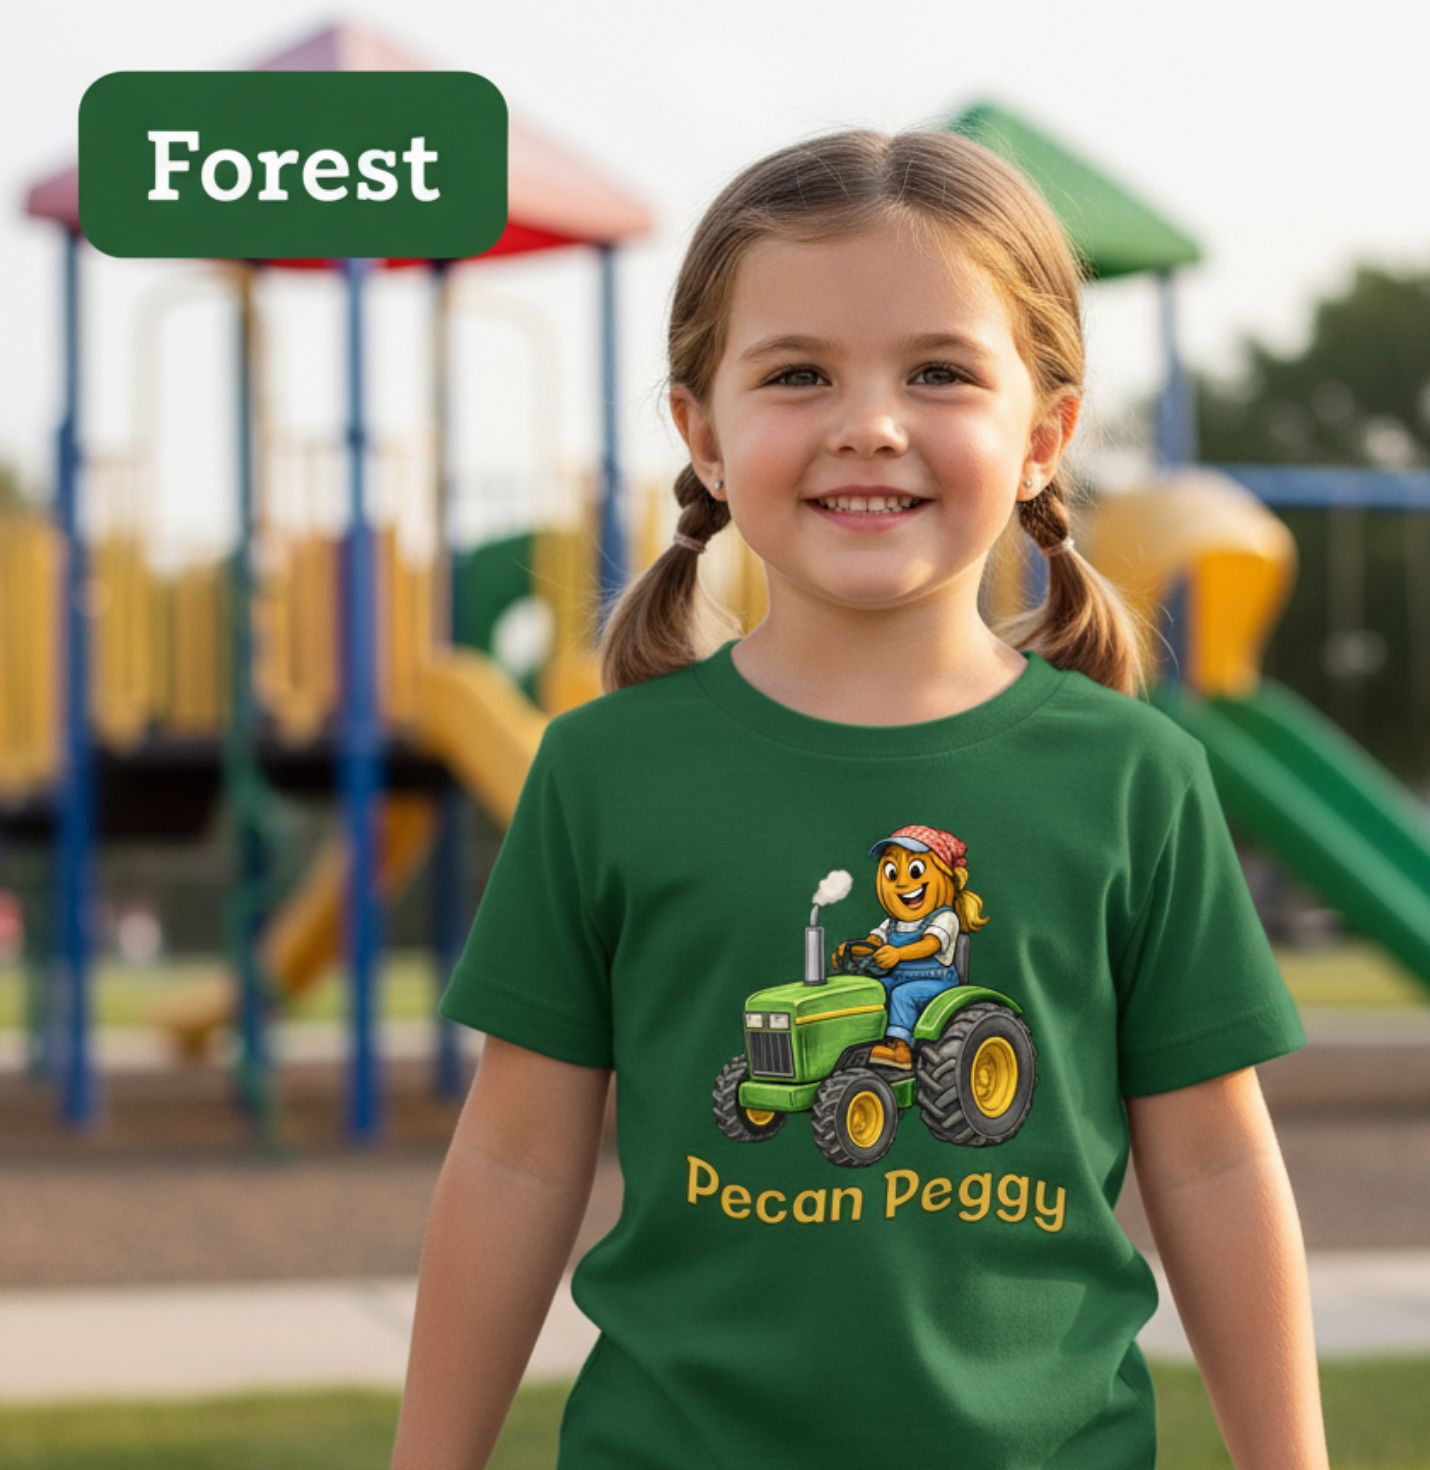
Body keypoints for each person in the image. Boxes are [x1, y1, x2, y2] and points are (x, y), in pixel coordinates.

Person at [392, 130, 1328, 1469]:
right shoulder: (602, 773)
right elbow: (517, 1161)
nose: (867, 422)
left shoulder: (1133, 778)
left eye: (939, 371)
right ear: (702, 435)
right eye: (797, 374)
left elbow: (1213, 1165)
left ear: (1042, 436)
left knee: (912, 1023)